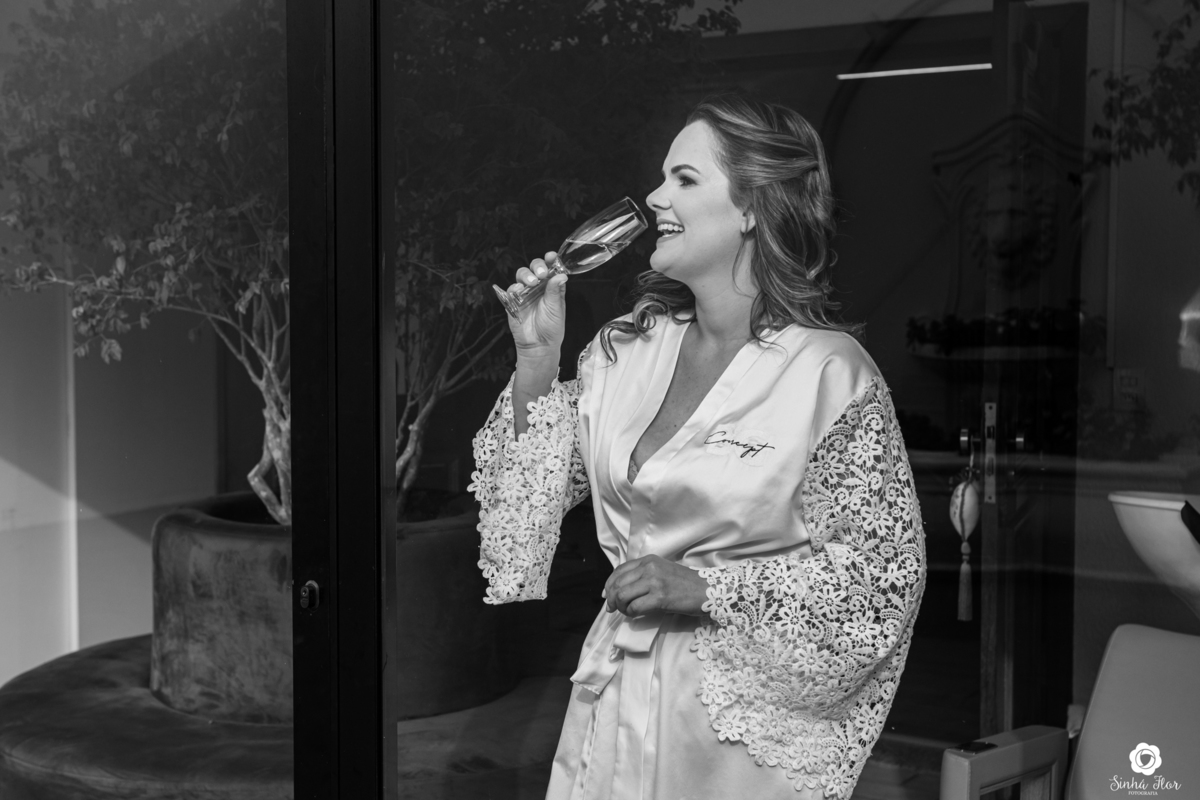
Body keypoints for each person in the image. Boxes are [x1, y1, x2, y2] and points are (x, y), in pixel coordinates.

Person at [468, 93, 927, 800]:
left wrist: (706, 589)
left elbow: (881, 584)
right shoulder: (625, 350)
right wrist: (536, 359)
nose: (656, 198)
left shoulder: (829, 375)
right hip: (613, 706)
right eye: (662, 179)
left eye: (684, 179)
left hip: (730, 739)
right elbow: (522, 512)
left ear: (751, 208)